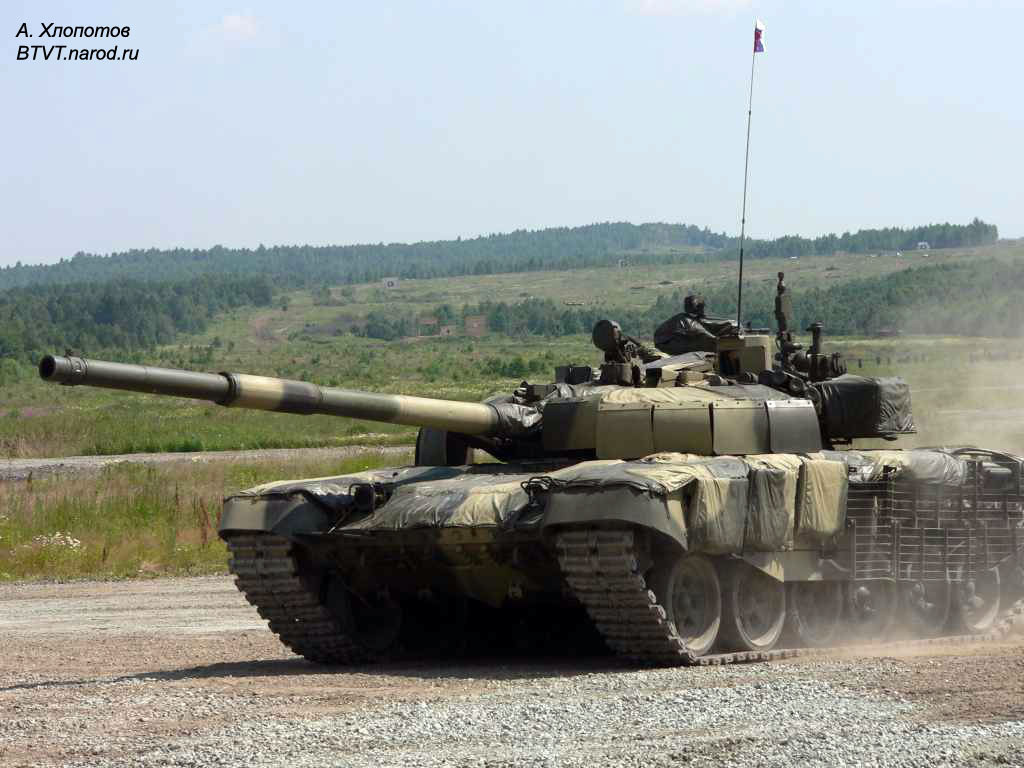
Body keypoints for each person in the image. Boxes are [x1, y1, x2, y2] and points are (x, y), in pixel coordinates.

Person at [653, 295, 738, 355]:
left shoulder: (690, 318)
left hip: (670, 341)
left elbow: (707, 324)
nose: (703, 310)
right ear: (698, 308)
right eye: (702, 308)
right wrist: (717, 340)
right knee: (705, 344)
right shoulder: (685, 319)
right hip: (666, 344)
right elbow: (699, 331)